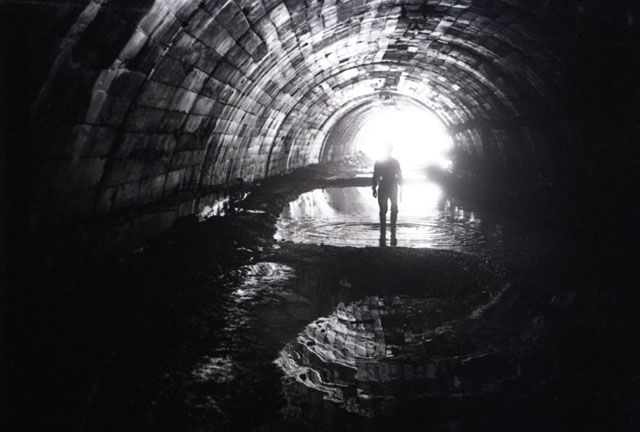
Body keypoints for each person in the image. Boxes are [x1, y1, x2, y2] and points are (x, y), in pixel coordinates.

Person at [372, 143, 402, 246]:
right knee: (394, 208)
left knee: (383, 209)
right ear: (392, 150)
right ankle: (393, 228)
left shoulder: (379, 162)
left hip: (383, 185)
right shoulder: (395, 162)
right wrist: (401, 187)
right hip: (393, 186)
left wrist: (374, 188)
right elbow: (399, 175)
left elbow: (375, 175)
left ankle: (383, 229)